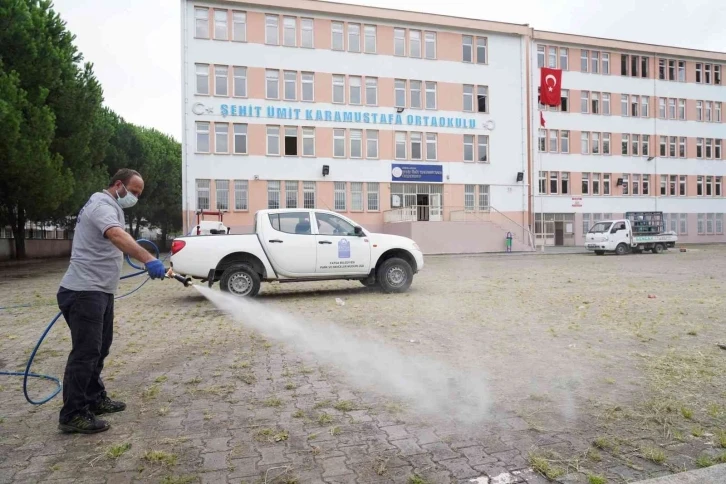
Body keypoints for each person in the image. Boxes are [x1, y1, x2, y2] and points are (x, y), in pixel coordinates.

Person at [56, 168, 166, 434]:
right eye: (133, 192)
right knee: (85, 353)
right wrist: (149, 258)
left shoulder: (110, 206)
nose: (135, 198)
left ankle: (93, 398)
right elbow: (116, 235)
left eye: (139, 194)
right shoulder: (101, 204)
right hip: (84, 291)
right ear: (119, 185)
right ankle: (72, 414)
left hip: (100, 291)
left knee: (100, 349)